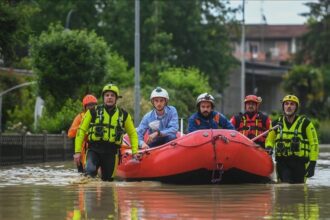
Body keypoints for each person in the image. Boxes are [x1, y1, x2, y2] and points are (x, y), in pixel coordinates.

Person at [74, 84, 138, 181]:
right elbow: (81, 130)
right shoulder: (92, 112)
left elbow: (132, 134)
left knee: (108, 182)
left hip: (111, 153)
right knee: (89, 172)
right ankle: (89, 194)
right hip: (94, 150)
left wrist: (135, 152)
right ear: (103, 97)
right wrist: (77, 152)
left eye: (112, 95)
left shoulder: (124, 115)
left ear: (116, 98)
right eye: (107, 95)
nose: (109, 97)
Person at [265, 95, 319, 184]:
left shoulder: (306, 123)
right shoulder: (276, 123)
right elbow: (269, 140)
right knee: (285, 188)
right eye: (286, 104)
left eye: (292, 104)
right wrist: (269, 147)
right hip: (282, 162)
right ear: (283, 107)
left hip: (300, 163)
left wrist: (312, 164)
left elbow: (314, 144)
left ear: (296, 107)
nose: (289, 106)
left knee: (299, 190)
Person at [68, 94, 98, 173]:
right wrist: (82, 128)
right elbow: (70, 133)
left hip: (95, 149)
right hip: (82, 151)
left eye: (93, 105)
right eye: (89, 105)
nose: (91, 107)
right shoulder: (80, 117)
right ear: (85, 107)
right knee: (81, 173)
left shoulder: (100, 116)